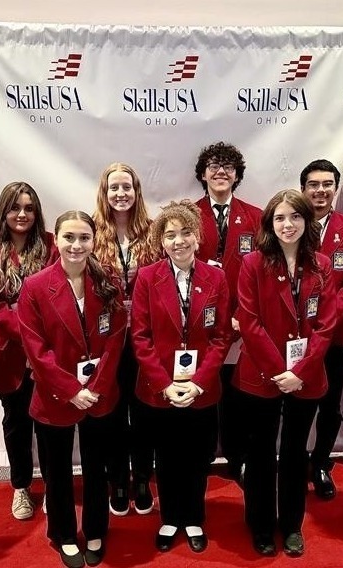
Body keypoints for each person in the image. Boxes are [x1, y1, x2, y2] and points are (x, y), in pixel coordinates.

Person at [18, 211, 126, 568]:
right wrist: (70, 390)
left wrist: (94, 387)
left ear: (94, 240)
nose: (76, 245)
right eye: (69, 238)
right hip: (55, 396)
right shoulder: (35, 287)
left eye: (84, 238)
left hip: (99, 394)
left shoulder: (108, 279)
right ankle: (63, 533)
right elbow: (36, 348)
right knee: (59, 471)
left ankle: (96, 529)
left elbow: (116, 338)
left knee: (97, 468)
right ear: (56, 240)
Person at [234, 189, 336, 557]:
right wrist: (281, 371)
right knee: (260, 453)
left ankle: (291, 525)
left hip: (306, 378)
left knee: (295, 453)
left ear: (307, 221)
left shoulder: (323, 265)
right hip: (263, 375)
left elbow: (327, 325)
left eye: (295, 216)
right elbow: (249, 321)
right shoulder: (252, 263)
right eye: (279, 218)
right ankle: (260, 525)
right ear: (269, 224)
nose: (287, 224)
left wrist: (301, 372)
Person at [132, 200, 232, 554]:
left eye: (185, 232)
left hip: (201, 389)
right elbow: (140, 337)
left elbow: (221, 337)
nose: (179, 241)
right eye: (170, 235)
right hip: (160, 390)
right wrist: (166, 384)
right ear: (161, 241)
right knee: (167, 456)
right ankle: (170, 517)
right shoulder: (147, 277)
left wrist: (199, 381)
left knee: (198, 456)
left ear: (197, 236)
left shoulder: (216, 276)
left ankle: (193, 517)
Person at [0, 182, 56, 520]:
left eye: (29, 208)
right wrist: (27, 340)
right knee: (17, 423)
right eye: (15, 208)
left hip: (50, 354)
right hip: (10, 357)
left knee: (52, 425)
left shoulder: (53, 246)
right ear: (3, 211)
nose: (22, 214)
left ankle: (56, 486)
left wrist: (37, 347)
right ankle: (21, 486)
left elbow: (57, 299)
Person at [193, 141, 262, 482]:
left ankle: (238, 458)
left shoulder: (256, 217)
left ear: (237, 176)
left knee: (237, 399)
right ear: (203, 175)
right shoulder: (188, 215)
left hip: (242, 322)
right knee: (203, 394)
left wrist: (243, 316)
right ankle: (202, 458)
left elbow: (262, 272)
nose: (221, 172)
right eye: (213, 166)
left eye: (228, 167)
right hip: (200, 325)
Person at [92, 163, 157, 517]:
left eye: (127, 187)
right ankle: (117, 477)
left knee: (145, 412)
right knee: (112, 413)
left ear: (136, 191)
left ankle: (143, 477)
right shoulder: (91, 232)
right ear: (105, 192)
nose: (121, 194)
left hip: (147, 338)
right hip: (107, 340)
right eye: (114, 187)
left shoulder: (152, 231)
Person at [300, 159, 343, 499]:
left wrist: (326, 320)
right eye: (313, 184)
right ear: (303, 189)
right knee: (292, 405)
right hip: (294, 338)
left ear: (336, 188)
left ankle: (321, 462)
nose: (320, 190)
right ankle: (293, 461)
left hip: (335, 336)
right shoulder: (290, 223)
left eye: (327, 184)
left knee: (329, 405)